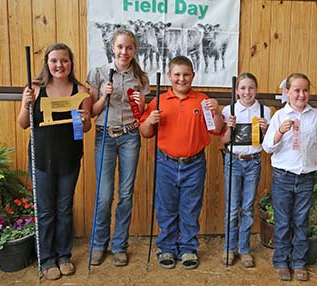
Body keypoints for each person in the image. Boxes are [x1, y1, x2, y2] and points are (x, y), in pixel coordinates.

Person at [139, 55, 224, 270]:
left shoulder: (202, 100)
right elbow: (145, 132)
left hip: (194, 164)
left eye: (186, 74)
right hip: (165, 162)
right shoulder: (158, 102)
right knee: (166, 206)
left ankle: (187, 248)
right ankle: (167, 247)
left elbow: (217, 129)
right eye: (177, 74)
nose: (181, 79)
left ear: (193, 76)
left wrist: (217, 111)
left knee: (190, 207)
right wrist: (150, 120)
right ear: (169, 76)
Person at [17, 43, 92, 280]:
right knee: (46, 211)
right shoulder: (34, 89)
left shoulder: (81, 90)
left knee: (64, 209)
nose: (59, 65)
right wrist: (25, 104)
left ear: (71, 63)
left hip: (69, 158)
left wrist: (86, 118)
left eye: (64, 60)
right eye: (54, 61)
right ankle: (47, 259)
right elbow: (23, 123)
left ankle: (63, 255)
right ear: (47, 63)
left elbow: (86, 127)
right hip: (41, 159)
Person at [262, 73, 317, 281]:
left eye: (305, 90)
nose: (301, 94)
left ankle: (298, 262)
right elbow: (268, 147)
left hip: (306, 176)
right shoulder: (279, 116)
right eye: (296, 90)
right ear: (287, 92)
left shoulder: (316, 117)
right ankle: (280, 261)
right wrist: (279, 131)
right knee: (283, 221)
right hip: (283, 176)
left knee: (301, 220)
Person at [86, 28, 150, 267]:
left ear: (134, 50)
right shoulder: (99, 73)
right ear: (112, 47)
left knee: (125, 194)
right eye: (120, 47)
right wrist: (103, 96)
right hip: (105, 136)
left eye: (129, 48)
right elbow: (92, 112)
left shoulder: (140, 78)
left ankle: (120, 245)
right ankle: (98, 244)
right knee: (104, 196)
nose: (124, 51)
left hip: (130, 136)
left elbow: (142, 114)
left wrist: (141, 104)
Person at [220, 72, 271, 267]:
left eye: (251, 88)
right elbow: (223, 141)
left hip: (254, 162)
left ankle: (244, 249)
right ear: (236, 91)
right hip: (233, 161)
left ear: (256, 89)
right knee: (232, 208)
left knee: (248, 208)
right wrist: (229, 128)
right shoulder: (229, 110)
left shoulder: (265, 111)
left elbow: (268, 145)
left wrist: (266, 130)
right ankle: (228, 248)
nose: (247, 92)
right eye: (242, 88)